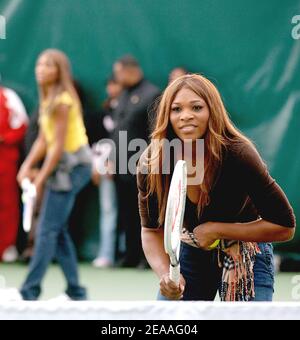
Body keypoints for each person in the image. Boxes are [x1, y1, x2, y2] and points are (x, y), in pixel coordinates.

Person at [137, 74, 296, 301]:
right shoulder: (152, 161)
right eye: (176, 109)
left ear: (212, 110)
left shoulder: (239, 153)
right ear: (167, 115)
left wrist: (217, 229)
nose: (186, 116)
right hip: (190, 251)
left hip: (247, 251)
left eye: (197, 107)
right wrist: (167, 275)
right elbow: (151, 230)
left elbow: (284, 226)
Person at [17, 49, 92, 300]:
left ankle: (29, 290)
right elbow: (43, 138)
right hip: (63, 166)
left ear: (59, 71)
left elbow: (57, 146)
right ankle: (76, 290)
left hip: (74, 167)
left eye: (48, 65)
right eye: (39, 64)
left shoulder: (62, 100)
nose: (41, 69)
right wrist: (26, 166)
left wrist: (38, 179)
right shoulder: (48, 98)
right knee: (56, 229)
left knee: (47, 229)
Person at [112, 55, 160, 268]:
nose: (117, 77)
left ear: (130, 70)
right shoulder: (124, 95)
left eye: (118, 73)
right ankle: (130, 255)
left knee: (146, 215)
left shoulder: (151, 94)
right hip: (122, 168)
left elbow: (155, 134)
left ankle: (146, 257)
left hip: (143, 168)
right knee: (127, 214)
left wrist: (151, 163)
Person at [92, 76, 122, 268]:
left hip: (131, 167)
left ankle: (127, 252)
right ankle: (106, 254)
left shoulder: (130, 109)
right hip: (107, 170)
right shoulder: (104, 112)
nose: (112, 88)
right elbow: (99, 142)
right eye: (110, 85)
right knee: (108, 210)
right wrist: (99, 165)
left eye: (116, 84)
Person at [0, 86, 28, 262]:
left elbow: (22, 125)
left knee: (7, 203)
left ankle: (7, 246)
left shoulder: (7, 97)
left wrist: (4, 138)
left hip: (5, 161)